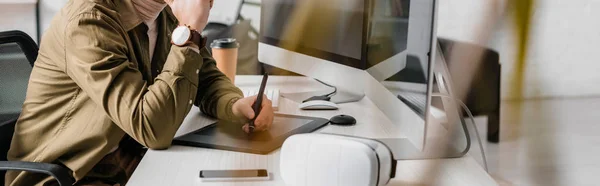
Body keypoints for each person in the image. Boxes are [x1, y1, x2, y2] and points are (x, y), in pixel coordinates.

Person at [5, 0, 274, 185]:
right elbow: (152, 129)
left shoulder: (164, 12)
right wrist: (190, 32)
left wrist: (235, 104)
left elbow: (205, 75)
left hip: (124, 159)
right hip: (71, 174)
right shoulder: (89, 22)